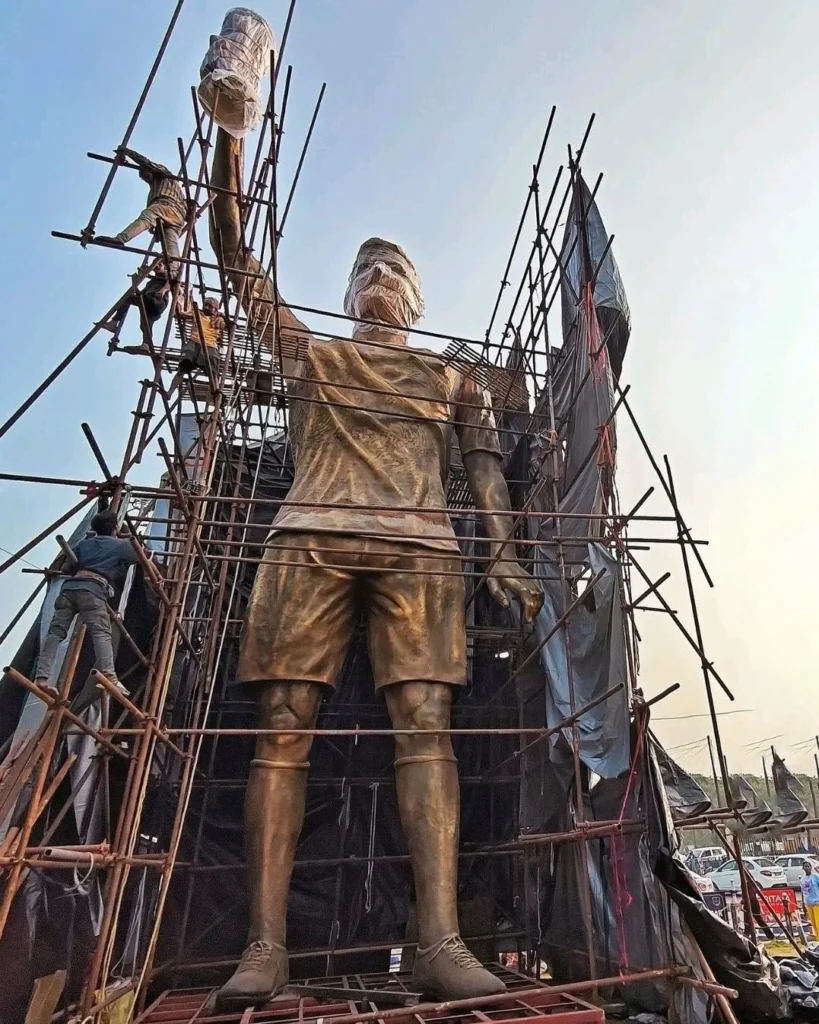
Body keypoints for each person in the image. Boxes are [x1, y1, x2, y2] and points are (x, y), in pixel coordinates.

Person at [209, 128, 544, 1009]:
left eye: (394, 269)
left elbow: (483, 470)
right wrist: (230, 137)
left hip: (421, 546)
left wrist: (502, 554)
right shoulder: (313, 355)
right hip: (308, 537)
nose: (379, 278)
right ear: (347, 291)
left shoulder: (451, 377)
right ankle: (265, 946)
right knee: (282, 727)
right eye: (365, 268)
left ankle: (438, 940)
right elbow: (236, 259)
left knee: (426, 727)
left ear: (418, 299)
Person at [34, 510, 140, 695]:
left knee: (56, 633)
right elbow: (138, 558)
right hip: (93, 590)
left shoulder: (84, 544)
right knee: (101, 633)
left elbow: (67, 567)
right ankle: (109, 676)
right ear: (115, 528)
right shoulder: (121, 545)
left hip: (69, 589)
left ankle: (41, 677)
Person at [95, 147, 187, 279]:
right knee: (171, 243)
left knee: (146, 218)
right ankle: (173, 272)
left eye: (145, 174)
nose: (145, 178)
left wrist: (128, 152)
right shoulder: (170, 187)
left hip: (166, 205)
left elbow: (146, 162)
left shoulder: (163, 174)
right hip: (178, 216)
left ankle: (120, 239)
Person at [99, 263, 171, 354]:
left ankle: (113, 322)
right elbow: (139, 295)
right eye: (155, 265)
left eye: (160, 265)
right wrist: (135, 281)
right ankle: (146, 345)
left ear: (164, 266)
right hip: (149, 303)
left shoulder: (165, 275)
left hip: (156, 302)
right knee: (145, 325)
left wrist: (163, 291)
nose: (157, 266)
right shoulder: (151, 282)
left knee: (127, 298)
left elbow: (171, 283)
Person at [172, 296, 225, 382]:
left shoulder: (219, 319)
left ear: (215, 309)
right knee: (182, 368)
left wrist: (223, 316)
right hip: (194, 342)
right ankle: (170, 389)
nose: (206, 307)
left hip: (210, 345)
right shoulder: (197, 313)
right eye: (205, 305)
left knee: (213, 373)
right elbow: (178, 314)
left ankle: (215, 389)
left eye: (210, 306)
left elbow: (229, 327)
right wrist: (179, 301)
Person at [802, 861, 819, 939]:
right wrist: (803, 903)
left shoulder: (815, 876)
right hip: (808, 904)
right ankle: (817, 938)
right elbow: (803, 891)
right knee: (813, 923)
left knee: (818, 922)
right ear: (803, 868)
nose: (807, 868)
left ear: (811, 867)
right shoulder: (802, 879)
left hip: (816, 903)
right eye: (805, 866)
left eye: (808, 866)